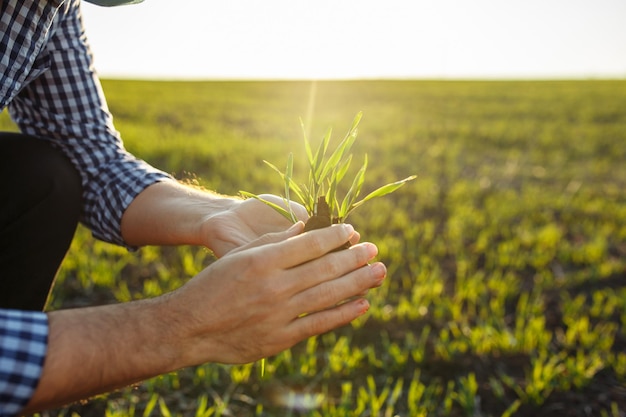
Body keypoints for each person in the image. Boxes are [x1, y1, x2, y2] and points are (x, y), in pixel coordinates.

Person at [0, 0, 387, 415]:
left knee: (42, 178)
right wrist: (183, 326)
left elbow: (93, 159)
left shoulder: (51, 7)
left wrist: (218, 214)